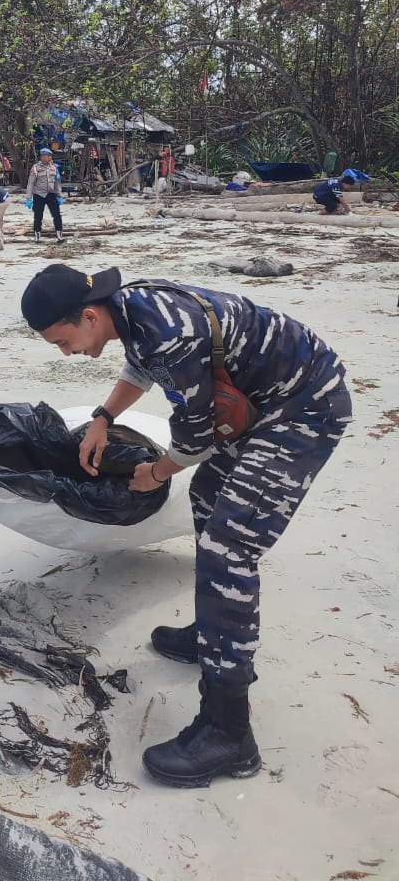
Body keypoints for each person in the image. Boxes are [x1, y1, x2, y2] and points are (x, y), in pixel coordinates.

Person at [20, 263, 352, 789]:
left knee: (229, 547)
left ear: (89, 316)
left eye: (64, 342)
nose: (66, 353)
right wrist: (103, 418)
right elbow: (140, 368)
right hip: (269, 400)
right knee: (207, 495)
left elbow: (196, 439)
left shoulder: (168, 332)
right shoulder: (128, 309)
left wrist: (154, 473)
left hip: (304, 407)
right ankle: (213, 635)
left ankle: (228, 732)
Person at [26, 148, 65, 243]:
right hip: (39, 194)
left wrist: (59, 195)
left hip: (51, 194)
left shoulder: (54, 167)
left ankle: (59, 236)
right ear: (42, 157)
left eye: (49, 156)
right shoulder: (36, 168)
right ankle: (37, 236)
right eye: (47, 156)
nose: (49, 158)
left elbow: (56, 183)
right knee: (38, 216)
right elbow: (31, 183)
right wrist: (29, 198)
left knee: (57, 215)